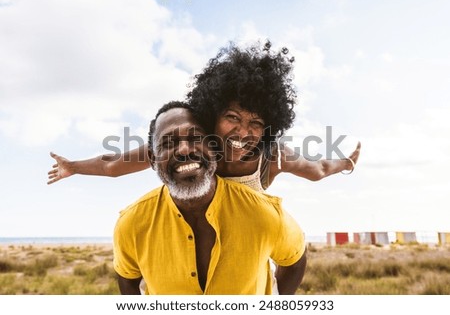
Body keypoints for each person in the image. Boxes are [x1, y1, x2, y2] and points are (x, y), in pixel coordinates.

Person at [47, 40, 361, 192]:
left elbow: (319, 168)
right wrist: (72, 167)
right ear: (212, 114)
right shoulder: (190, 147)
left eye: (255, 123)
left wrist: (346, 163)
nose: (243, 132)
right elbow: (114, 164)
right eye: (232, 117)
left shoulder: (272, 157)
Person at [114, 102, 307, 295]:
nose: (184, 150)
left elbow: (295, 260)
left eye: (196, 137)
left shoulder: (264, 214)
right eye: (167, 143)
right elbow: (127, 279)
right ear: (153, 159)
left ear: (214, 147)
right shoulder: (131, 223)